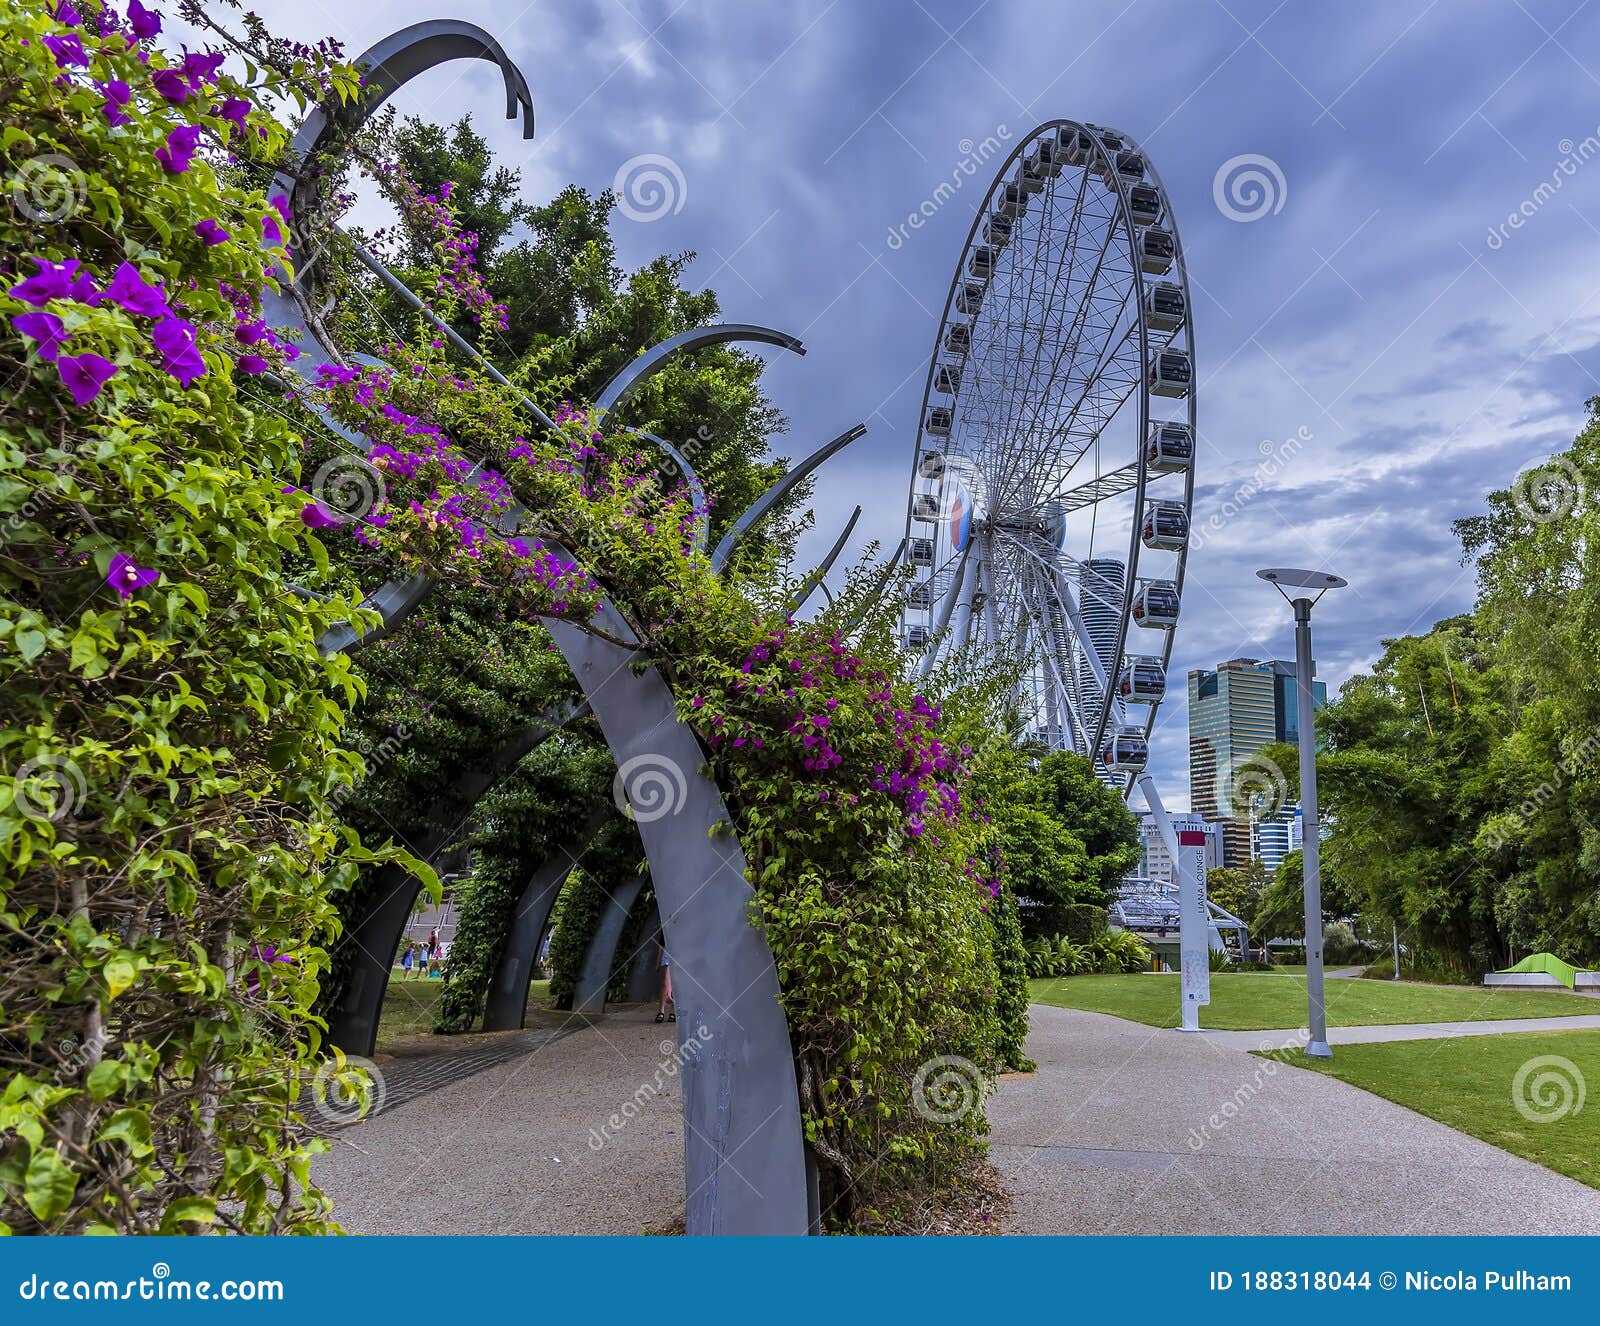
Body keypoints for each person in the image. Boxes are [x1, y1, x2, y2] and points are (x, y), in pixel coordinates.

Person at [655, 941, 674, 1023]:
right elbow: (661, 944)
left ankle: (673, 1011)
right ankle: (661, 1011)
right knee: (664, 982)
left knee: (676, 983)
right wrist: (658, 962)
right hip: (667, 952)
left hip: (680, 952)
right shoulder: (665, 927)